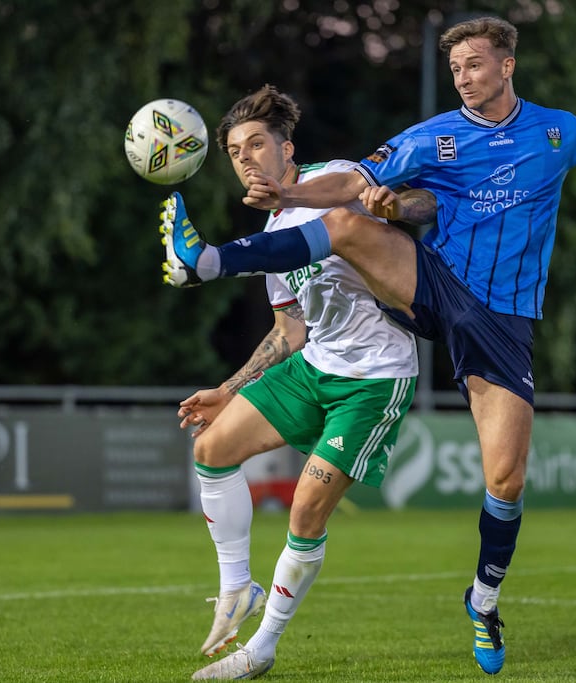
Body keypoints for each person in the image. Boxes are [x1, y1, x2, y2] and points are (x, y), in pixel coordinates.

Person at [160, 16, 576, 676]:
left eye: (473, 64)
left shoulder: (557, 132)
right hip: (434, 284)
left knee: (506, 479)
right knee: (349, 224)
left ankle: (485, 599)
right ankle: (208, 260)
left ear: (506, 66)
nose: (463, 77)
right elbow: (359, 184)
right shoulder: (433, 136)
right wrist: (295, 194)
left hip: (502, 322)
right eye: (456, 67)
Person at [167, 85, 419, 681]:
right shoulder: (278, 228)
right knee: (211, 448)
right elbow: (289, 330)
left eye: (258, 144)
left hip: (373, 378)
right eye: (234, 151)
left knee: (305, 512)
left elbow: (382, 194)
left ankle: (262, 648)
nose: (247, 158)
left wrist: (387, 207)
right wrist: (229, 390)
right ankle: (238, 588)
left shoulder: (332, 178)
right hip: (314, 369)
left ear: (288, 148)